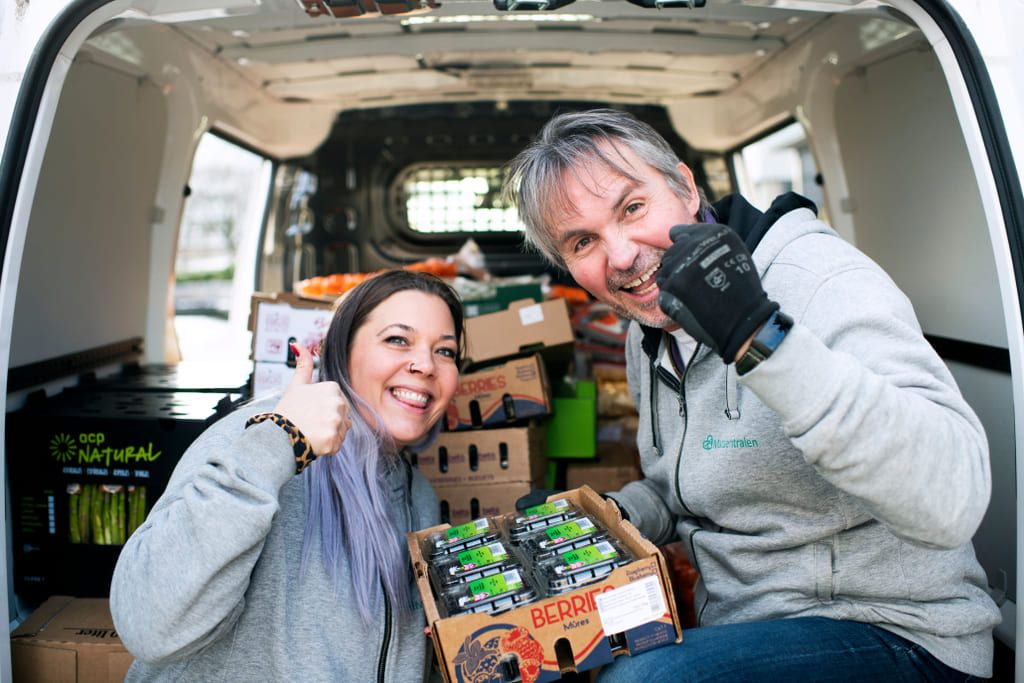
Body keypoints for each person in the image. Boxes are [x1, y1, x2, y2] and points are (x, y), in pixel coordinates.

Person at [503, 109, 1000, 681]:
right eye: (583, 241)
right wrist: (608, 517)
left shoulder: (816, 278)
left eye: (632, 208)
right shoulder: (650, 332)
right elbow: (688, 488)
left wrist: (758, 337)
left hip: (896, 629)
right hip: (748, 628)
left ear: (685, 187)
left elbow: (953, 499)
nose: (620, 256)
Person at [110, 270, 464, 681]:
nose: (426, 365)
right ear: (342, 350)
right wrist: (280, 441)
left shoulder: (419, 497)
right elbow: (149, 625)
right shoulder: (252, 439)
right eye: (398, 340)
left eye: (445, 351)